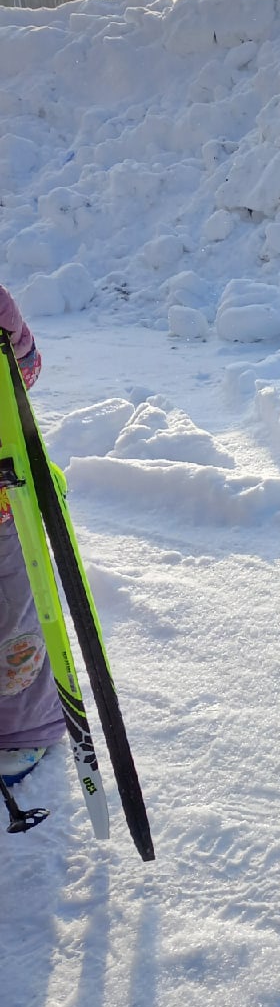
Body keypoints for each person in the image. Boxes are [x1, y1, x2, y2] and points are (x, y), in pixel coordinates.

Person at [0, 285, 64, 787]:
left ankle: (27, 730)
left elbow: (26, 372)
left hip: (3, 514)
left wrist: (13, 341)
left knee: (14, 627)